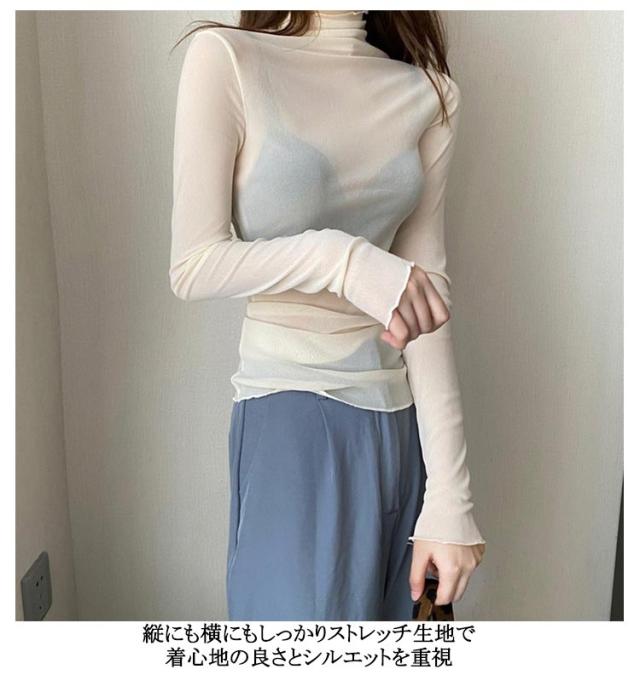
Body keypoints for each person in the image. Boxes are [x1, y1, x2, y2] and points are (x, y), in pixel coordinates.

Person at [169, 9, 486, 621]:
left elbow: (425, 302)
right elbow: (194, 264)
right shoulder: (227, 58)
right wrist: (341, 259)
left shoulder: (430, 95)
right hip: (289, 417)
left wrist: (451, 495)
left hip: (400, 430)